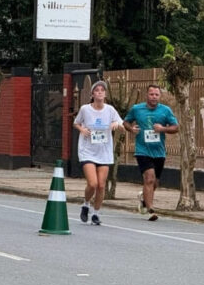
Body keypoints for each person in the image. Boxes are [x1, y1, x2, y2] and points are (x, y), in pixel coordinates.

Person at [123, 84, 179, 221]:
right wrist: (131, 129)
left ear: (160, 96)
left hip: (159, 152)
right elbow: (125, 122)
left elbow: (175, 127)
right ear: (146, 95)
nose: (154, 97)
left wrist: (162, 129)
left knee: (155, 183)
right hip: (142, 150)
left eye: (156, 95)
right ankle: (150, 210)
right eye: (151, 94)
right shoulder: (137, 109)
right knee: (149, 178)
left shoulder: (165, 111)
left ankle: (144, 199)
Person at [73, 81, 123, 225]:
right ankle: (86, 204)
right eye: (97, 90)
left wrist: (116, 124)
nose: (100, 92)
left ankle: (95, 213)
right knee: (93, 183)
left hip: (104, 151)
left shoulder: (110, 110)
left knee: (101, 185)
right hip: (87, 150)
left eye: (102, 90)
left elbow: (121, 124)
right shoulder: (85, 109)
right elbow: (76, 123)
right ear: (93, 94)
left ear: (105, 94)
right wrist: (82, 129)